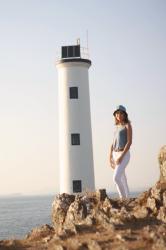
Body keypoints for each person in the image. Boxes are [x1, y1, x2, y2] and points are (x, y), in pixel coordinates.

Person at [109, 105, 132, 199]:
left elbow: (129, 142)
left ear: (124, 115)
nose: (118, 115)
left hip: (124, 153)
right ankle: (127, 198)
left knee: (116, 178)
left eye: (121, 113)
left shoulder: (127, 125)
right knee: (122, 177)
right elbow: (112, 143)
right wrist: (109, 157)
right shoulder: (117, 127)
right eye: (117, 113)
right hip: (115, 153)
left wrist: (121, 156)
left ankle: (122, 198)